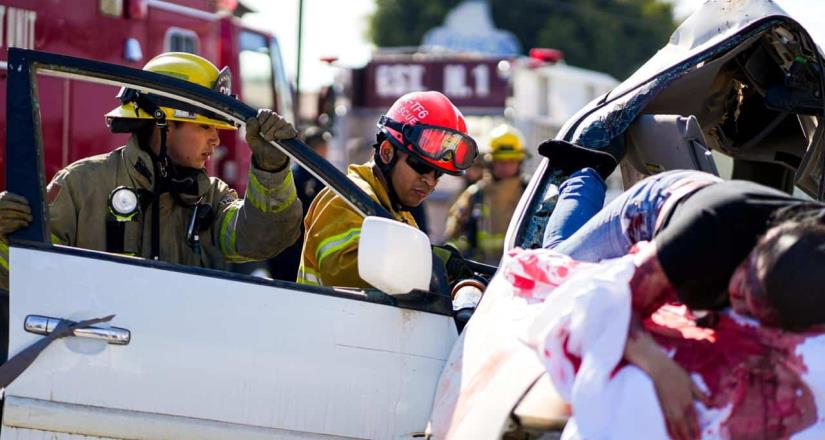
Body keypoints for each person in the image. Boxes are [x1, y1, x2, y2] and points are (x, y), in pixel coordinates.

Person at [539, 139, 825, 439]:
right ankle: (585, 173)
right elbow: (615, 302)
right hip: (654, 206)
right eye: (742, 285)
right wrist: (658, 366)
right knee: (555, 268)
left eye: (756, 308)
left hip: (722, 217)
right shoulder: (703, 235)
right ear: (754, 253)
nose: (738, 302)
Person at [0, 52, 303, 291]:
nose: (216, 138)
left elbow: (263, 238)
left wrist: (272, 168)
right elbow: (23, 278)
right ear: (164, 122)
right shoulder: (82, 185)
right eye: (205, 126)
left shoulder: (212, 196)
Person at [296, 91, 478, 288]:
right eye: (421, 167)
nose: (430, 182)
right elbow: (347, 274)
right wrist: (429, 263)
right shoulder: (346, 199)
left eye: (437, 174)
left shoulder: (399, 213)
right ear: (387, 152)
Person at [444, 124, 529, 265]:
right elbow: (452, 237)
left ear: (520, 162)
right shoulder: (474, 195)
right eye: (501, 161)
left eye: (511, 161)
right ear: (491, 162)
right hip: (481, 273)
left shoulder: (529, 193)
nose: (506, 166)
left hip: (521, 270)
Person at [266, 126, 331, 281]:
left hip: (288, 251)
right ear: (318, 148)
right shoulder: (309, 177)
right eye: (324, 147)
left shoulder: (299, 174)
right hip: (294, 252)